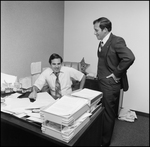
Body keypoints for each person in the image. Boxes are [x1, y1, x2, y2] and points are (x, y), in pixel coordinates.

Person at [93, 17, 135, 146]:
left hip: (110, 86)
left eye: (96, 30)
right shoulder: (101, 42)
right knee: (102, 111)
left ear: (105, 30)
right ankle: (100, 136)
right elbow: (106, 61)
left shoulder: (116, 41)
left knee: (108, 114)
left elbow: (129, 57)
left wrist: (116, 73)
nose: (95, 33)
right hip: (102, 82)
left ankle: (104, 143)